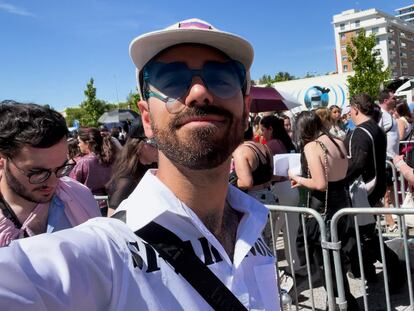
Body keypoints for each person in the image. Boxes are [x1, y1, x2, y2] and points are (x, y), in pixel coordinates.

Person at [0, 18, 278, 310]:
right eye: (171, 80)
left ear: (246, 109)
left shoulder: (253, 225)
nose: (199, 93)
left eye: (222, 77)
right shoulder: (108, 251)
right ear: (146, 118)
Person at [0, 101, 100, 246]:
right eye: (38, 172)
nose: (53, 182)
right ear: (2, 161)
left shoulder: (79, 195)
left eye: (61, 168)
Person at [288, 110, 358, 309]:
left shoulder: (312, 146)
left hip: (324, 209)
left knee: (325, 260)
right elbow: (343, 171)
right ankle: (338, 302)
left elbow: (320, 184)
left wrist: (298, 179)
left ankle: (343, 303)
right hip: (341, 204)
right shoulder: (336, 140)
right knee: (334, 258)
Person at [344, 93, 405, 292]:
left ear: (355, 109)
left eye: (350, 109)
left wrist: (338, 177)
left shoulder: (360, 133)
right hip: (373, 187)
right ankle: (369, 271)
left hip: (363, 191)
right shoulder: (376, 129)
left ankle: (394, 268)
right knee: (362, 235)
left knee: (366, 236)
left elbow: (357, 163)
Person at [106, 118, 158, 216]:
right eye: (155, 142)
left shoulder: (152, 167)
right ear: (139, 145)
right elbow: (113, 218)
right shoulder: (127, 179)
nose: (160, 148)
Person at [69, 127, 118, 216]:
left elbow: (72, 185)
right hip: (111, 204)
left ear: (87, 143)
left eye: (79, 142)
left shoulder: (84, 162)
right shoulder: (111, 157)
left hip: (91, 206)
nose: (78, 145)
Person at [378, 89, 399, 230]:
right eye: (393, 98)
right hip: (385, 160)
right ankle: (390, 223)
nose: (395, 99)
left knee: (390, 191)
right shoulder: (380, 115)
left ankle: (393, 219)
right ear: (386, 100)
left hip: (391, 159)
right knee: (385, 193)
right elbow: (376, 134)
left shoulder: (387, 114)